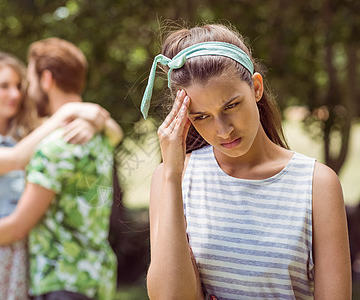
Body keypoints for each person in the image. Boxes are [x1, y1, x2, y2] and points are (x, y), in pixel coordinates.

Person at [141, 24, 351, 299]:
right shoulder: (174, 178)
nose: (223, 130)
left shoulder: (317, 184)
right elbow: (170, 296)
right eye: (201, 116)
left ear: (256, 87)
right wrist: (172, 174)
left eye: (231, 106)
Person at [0, 51, 122, 300]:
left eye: (19, 86)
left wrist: (93, 123)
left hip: (37, 254)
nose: (15, 94)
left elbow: (115, 134)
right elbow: (14, 160)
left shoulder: (33, 133)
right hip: (0, 250)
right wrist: (68, 112)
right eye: (4, 86)